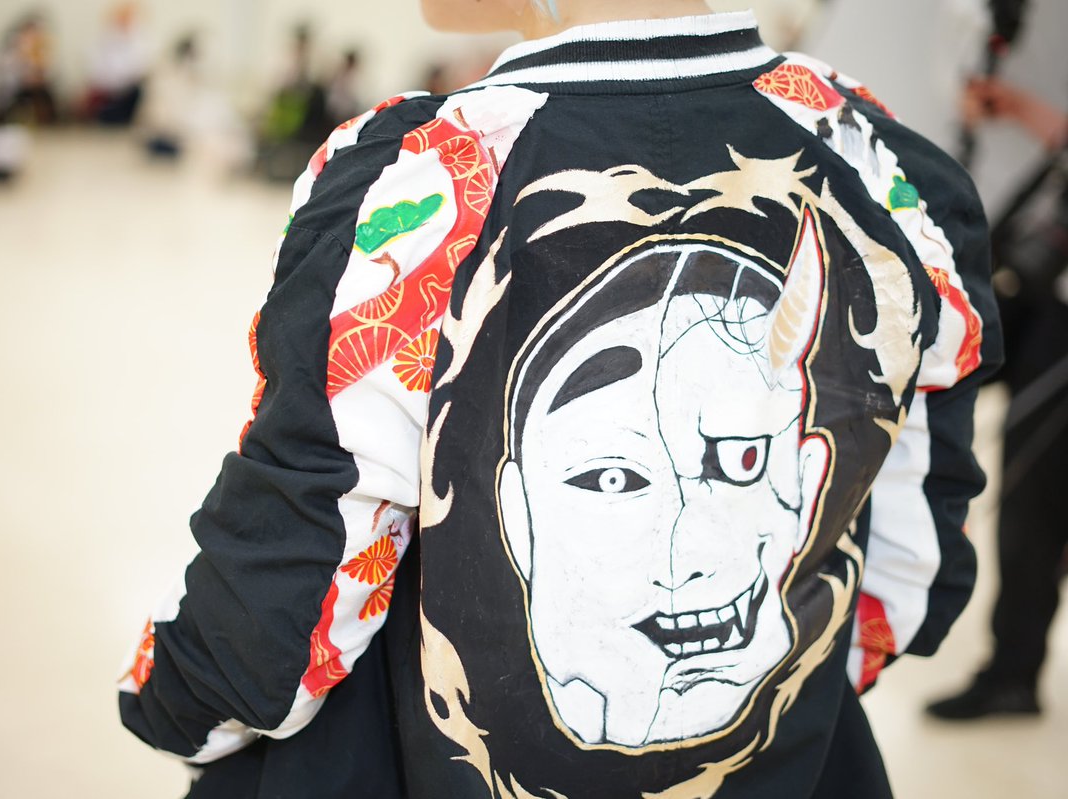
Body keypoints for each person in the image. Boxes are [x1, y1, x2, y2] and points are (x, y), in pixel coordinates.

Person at [119, 1, 1000, 797]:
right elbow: (910, 572)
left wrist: (176, 704)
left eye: (740, 458)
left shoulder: (425, 186)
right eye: (613, 478)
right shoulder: (880, 162)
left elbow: (285, 601)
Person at [926, 77, 1068, 721]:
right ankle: (1012, 673)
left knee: (1034, 510)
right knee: (1027, 514)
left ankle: (1012, 674)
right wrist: (1015, 107)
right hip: (1047, 319)